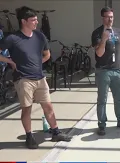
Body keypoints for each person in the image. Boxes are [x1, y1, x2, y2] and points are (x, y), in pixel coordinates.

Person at [0, 6, 72, 149]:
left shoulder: (40, 36)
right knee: (27, 109)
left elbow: (47, 54)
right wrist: (10, 61)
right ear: (23, 21)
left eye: (36, 20)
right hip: (23, 79)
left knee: (48, 106)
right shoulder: (13, 38)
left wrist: (37, 63)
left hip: (40, 77)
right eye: (33, 20)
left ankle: (56, 132)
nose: (36, 22)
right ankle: (29, 136)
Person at [91, 7, 120, 136]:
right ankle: (102, 124)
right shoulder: (97, 33)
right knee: (102, 99)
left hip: (117, 70)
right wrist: (103, 39)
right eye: (108, 17)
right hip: (103, 71)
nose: (110, 19)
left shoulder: (118, 31)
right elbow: (99, 53)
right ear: (102, 18)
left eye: (112, 17)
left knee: (119, 98)